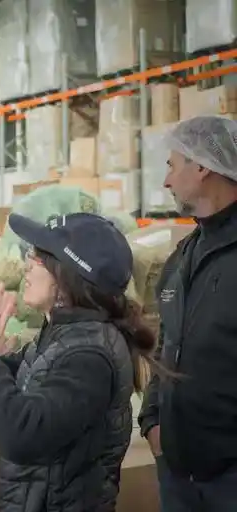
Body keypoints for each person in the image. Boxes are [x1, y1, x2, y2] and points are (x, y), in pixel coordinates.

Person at [0, 212, 156, 511]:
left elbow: (22, 435)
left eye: (38, 255)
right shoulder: (65, 333)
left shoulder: (89, 356)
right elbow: (35, 380)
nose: (27, 262)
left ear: (66, 274)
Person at [138, 116, 237, 511]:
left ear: (202, 167)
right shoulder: (182, 257)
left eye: (172, 165)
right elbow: (167, 340)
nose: (166, 181)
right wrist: (152, 420)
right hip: (178, 474)